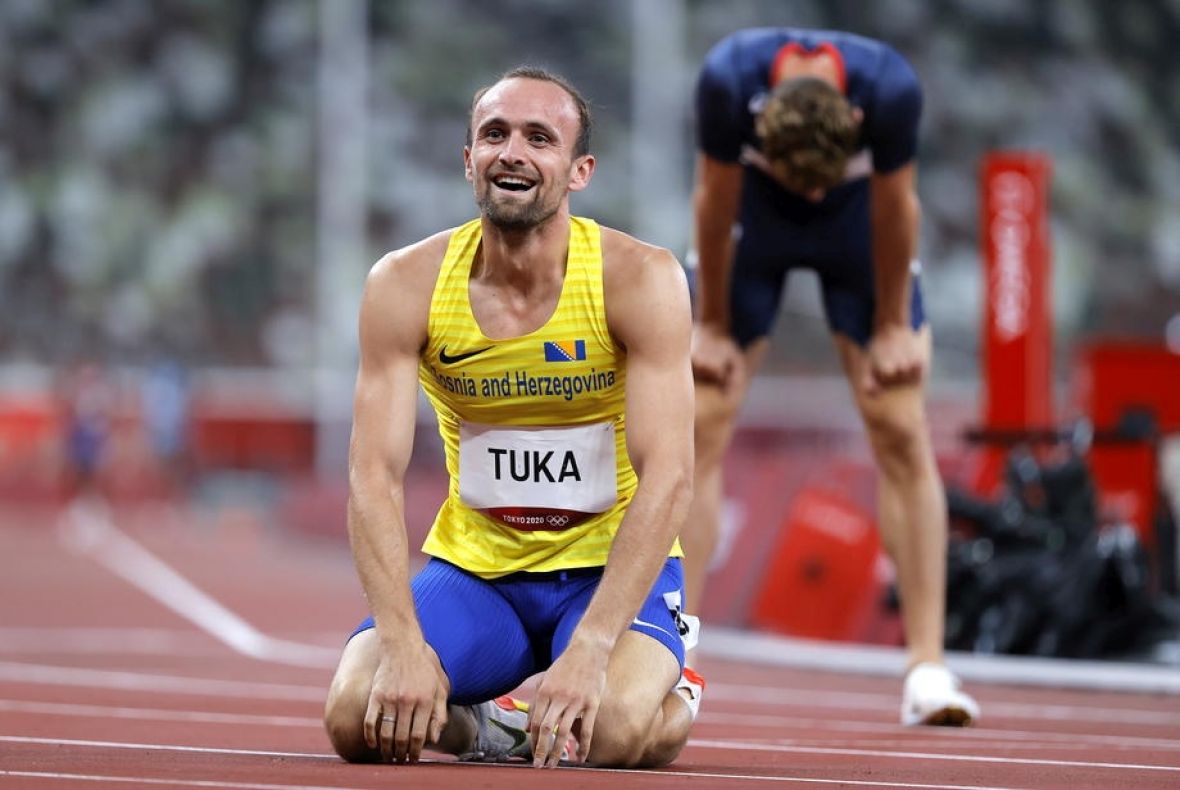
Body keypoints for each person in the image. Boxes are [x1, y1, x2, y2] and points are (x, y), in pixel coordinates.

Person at [322, 66, 704, 769]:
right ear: (469, 159)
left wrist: (592, 646)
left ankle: (673, 687)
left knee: (613, 732)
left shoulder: (638, 278)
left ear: (580, 170)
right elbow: (371, 475)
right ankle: (484, 726)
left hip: (604, 571)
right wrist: (403, 647)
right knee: (357, 715)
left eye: (540, 138)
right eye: (494, 135)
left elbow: (671, 476)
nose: (513, 153)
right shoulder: (405, 284)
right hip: (479, 575)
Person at [682, 27, 979, 726]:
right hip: (755, 218)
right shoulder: (727, 81)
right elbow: (715, 203)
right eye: (804, 182)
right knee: (699, 420)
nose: (811, 191)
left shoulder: (890, 89)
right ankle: (670, 654)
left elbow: (897, 207)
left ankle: (928, 668)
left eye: (820, 178)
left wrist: (894, 327)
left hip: (858, 225)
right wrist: (713, 325)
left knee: (899, 424)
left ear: (856, 121)